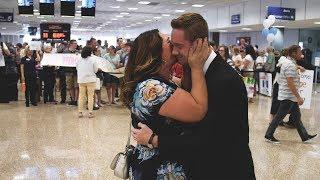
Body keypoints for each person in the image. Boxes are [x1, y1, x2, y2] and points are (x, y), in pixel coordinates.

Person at [132, 13, 255, 179]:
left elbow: (211, 140)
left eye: (179, 46)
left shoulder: (224, 80)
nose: (175, 52)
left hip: (224, 170)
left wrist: (155, 140)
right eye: (172, 45)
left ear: (199, 43)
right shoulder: (192, 72)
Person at [122, 29, 208, 179]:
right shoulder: (153, 88)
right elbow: (199, 110)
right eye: (169, 42)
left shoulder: (156, 81)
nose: (174, 44)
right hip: (160, 170)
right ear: (156, 54)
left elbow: (185, 92)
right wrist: (196, 67)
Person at [265, 45, 317, 143]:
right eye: (299, 52)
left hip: (290, 96)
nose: (301, 55)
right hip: (288, 96)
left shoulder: (290, 63)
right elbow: (290, 83)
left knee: (297, 117)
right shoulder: (289, 64)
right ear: (293, 53)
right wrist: (298, 97)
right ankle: (269, 135)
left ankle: (305, 136)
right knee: (279, 116)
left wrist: (298, 67)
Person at [76, 46, 99, 118]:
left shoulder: (79, 59)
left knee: (81, 96)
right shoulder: (93, 59)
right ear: (90, 52)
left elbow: (77, 68)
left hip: (81, 80)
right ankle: (90, 113)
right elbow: (96, 70)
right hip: (90, 80)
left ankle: (80, 112)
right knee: (90, 96)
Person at [63, 40, 79, 105]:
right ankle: (73, 99)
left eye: (76, 44)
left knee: (76, 86)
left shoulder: (78, 52)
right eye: (75, 43)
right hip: (68, 71)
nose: (76, 45)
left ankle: (76, 100)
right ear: (71, 44)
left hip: (76, 72)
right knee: (70, 86)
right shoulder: (65, 52)